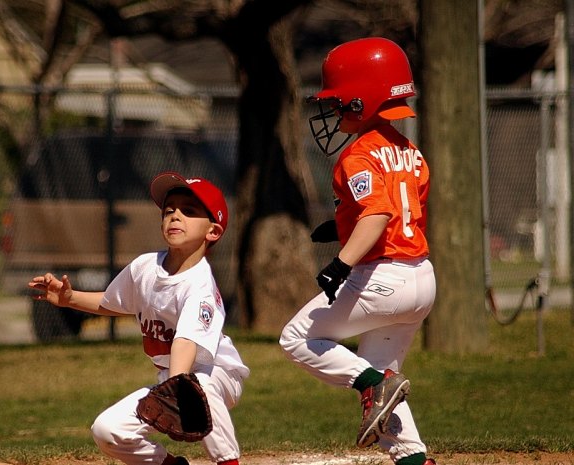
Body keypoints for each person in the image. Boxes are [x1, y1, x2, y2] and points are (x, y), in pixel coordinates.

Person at [279, 37, 436, 465]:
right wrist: (343, 224)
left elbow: (378, 215)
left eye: (338, 102)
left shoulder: (358, 155)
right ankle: (412, 458)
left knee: (296, 337)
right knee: (383, 378)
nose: (333, 111)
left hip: (383, 278)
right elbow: (399, 209)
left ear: (361, 100)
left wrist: (340, 262)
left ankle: (372, 383)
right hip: (422, 277)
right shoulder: (412, 152)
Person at [29, 172, 249, 465]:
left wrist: (175, 390)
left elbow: (185, 343)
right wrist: (70, 298)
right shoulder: (144, 267)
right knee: (107, 430)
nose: (175, 217)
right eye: (169, 211)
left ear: (213, 232)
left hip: (217, 375)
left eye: (189, 211)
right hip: (171, 381)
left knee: (199, 386)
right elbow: (112, 302)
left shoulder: (200, 286)